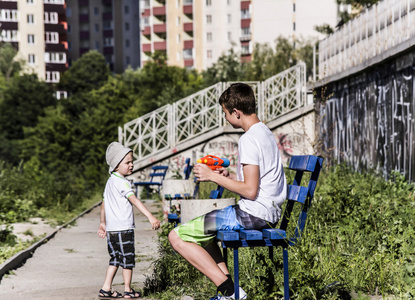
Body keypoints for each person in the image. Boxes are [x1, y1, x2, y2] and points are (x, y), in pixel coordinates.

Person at [168, 83, 287, 299]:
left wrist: (211, 176)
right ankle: (227, 292)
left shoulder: (249, 139)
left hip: (252, 214)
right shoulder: (265, 133)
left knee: (176, 236)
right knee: (204, 235)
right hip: (266, 213)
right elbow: (257, 184)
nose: (225, 118)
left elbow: (250, 191)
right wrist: (228, 177)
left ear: (236, 112)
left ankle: (230, 291)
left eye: (225, 113)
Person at [97, 142, 161, 299]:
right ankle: (127, 290)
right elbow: (135, 200)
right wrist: (150, 216)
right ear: (116, 165)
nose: (131, 165)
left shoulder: (110, 181)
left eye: (132, 161)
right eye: (127, 162)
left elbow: (104, 204)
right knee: (128, 259)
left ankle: (106, 288)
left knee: (115, 259)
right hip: (124, 229)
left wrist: (102, 223)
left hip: (112, 230)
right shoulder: (123, 182)